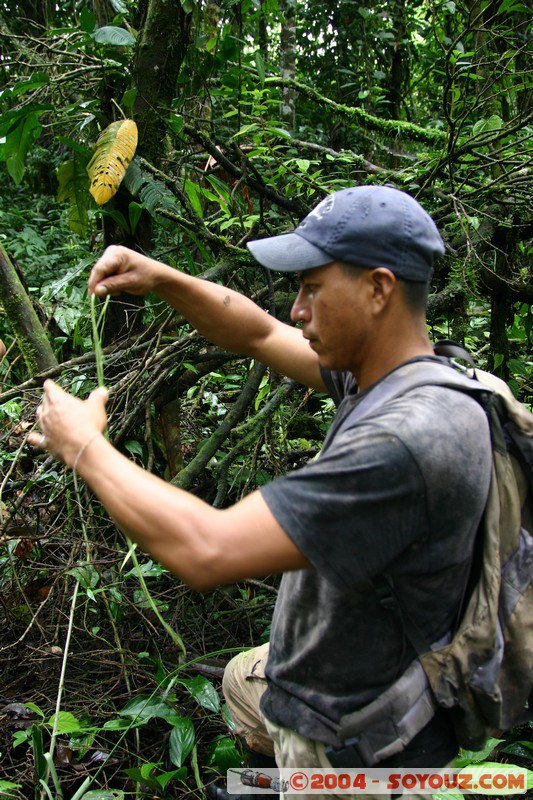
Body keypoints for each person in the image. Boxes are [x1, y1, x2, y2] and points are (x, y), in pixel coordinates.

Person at [30, 186, 492, 799]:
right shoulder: (402, 374)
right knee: (241, 679)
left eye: (312, 288)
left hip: (361, 748)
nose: (297, 309)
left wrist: (85, 447)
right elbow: (258, 335)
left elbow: (207, 550)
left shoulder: (407, 440)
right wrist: (162, 277)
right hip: (364, 677)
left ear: (378, 290)